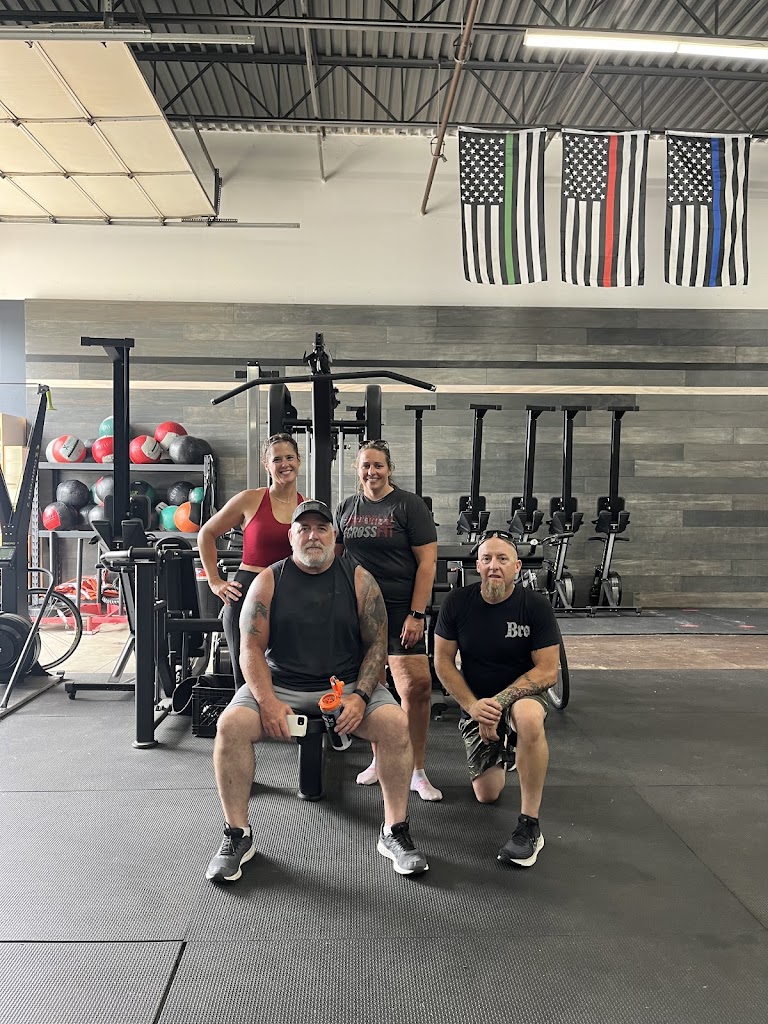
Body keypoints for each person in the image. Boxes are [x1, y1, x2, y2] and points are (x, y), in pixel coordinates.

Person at [206, 499, 429, 882]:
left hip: (345, 689)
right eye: (304, 528)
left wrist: (360, 696)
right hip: (282, 688)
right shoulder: (269, 581)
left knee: (395, 724)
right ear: (291, 536)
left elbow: (377, 645)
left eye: (321, 528)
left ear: (333, 535)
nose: (313, 536)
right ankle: (237, 835)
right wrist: (268, 702)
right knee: (230, 727)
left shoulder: (359, 579)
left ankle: (394, 830)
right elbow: (250, 649)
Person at [433, 531, 561, 867]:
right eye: (486, 559)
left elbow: (548, 671)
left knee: (528, 717)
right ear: (477, 566)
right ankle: (507, 746)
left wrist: (499, 704)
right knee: (487, 795)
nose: (494, 565)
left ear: (517, 567)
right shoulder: (457, 602)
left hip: (519, 697)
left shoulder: (535, 606)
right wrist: (474, 707)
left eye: (502, 559)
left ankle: (530, 826)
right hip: (477, 703)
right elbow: (442, 662)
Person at [335, 440, 441, 801]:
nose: (372, 472)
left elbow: (427, 563)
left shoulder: (408, 505)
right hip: (359, 610)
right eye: (365, 465)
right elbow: (335, 559)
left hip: (400, 609)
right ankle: (379, 760)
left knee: (416, 687)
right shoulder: (346, 508)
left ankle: (416, 769)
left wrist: (417, 613)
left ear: (389, 469)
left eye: (378, 465)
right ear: (357, 469)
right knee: (372, 687)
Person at [197, 433, 304, 690]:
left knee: (286, 679)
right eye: (276, 459)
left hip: (289, 597)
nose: (284, 464)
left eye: (289, 457)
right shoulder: (250, 499)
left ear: (299, 461)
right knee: (246, 681)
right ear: (266, 465)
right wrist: (214, 581)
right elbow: (206, 534)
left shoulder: (306, 506)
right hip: (246, 594)